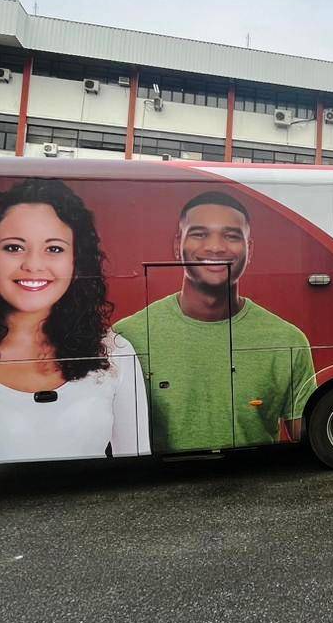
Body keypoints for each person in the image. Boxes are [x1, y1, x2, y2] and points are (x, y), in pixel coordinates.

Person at [0, 179, 149, 464]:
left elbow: (135, 463)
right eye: (13, 247)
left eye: (54, 249)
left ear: (76, 262)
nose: (33, 264)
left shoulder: (115, 351)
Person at [114, 190, 316, 452]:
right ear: (177, 245)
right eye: (199, 234)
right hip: (161, 490)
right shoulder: (128, 337)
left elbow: (309, 445)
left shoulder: (288, 340)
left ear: (249, 249)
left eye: (231, 236)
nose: (215, 247)